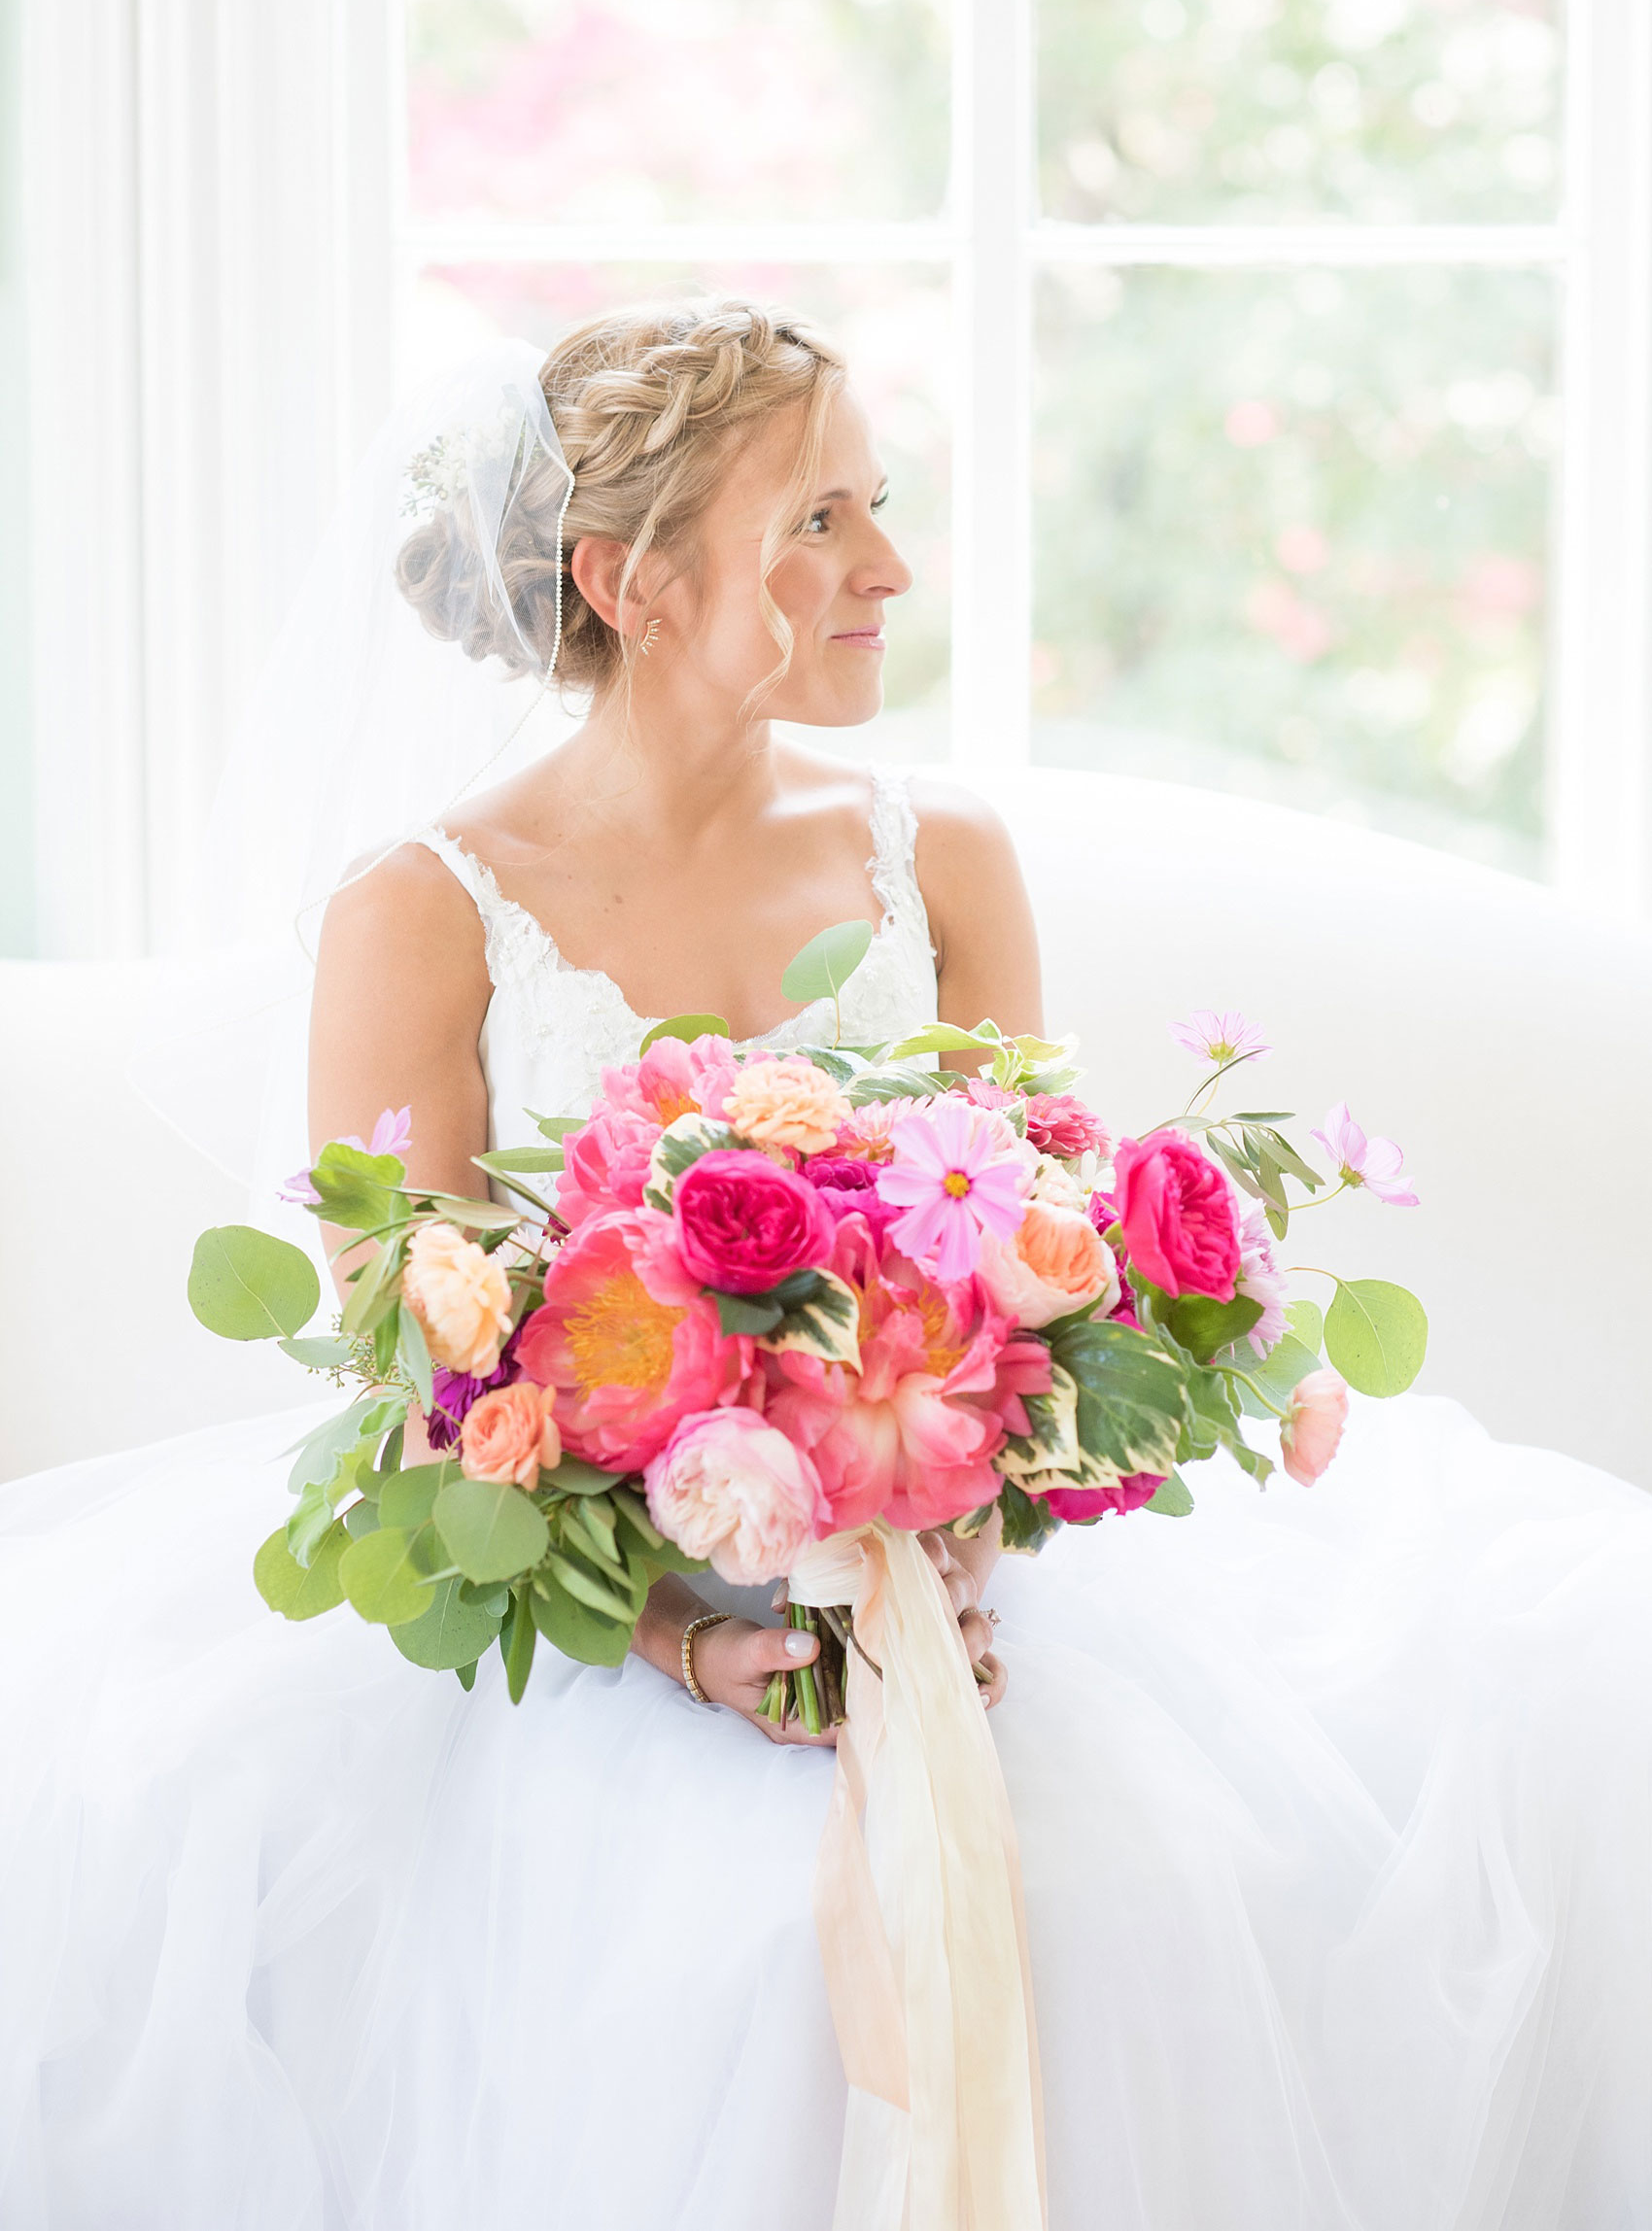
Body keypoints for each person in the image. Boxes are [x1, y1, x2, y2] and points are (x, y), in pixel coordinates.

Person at [1, 299, 1648, 2231]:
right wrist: (685, 1627)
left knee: (1432, 1729)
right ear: (628, 574)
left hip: (938, 1552)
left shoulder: (938, 858)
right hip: (597, 1601)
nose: (886, 565)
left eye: (880, 505)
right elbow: (408, 1374)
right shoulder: (419, 916)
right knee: (696, 1932)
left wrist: (952, 1525)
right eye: (818, 521)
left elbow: (1042, 1249)